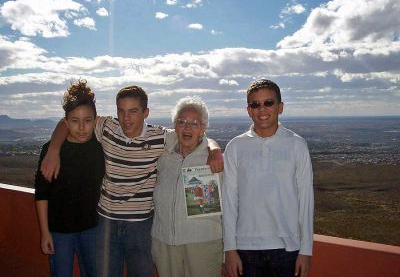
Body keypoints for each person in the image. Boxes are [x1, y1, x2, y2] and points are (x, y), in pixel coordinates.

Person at [40, 86, 223, 277]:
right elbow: (66, 121)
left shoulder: (160, 137)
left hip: (141, 225)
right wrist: (53, 150)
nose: (126, 118)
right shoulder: (107, 127)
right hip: (106, 223)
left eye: (133, 111)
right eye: (121, 110)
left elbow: (193, 133)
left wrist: (215, 149)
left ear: (146, 113)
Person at [223, 79, 314, 277]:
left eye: (268, 103)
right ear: (248, 110)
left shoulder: (297, 145)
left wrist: (306, 251)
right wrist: (229, 249)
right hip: (244, 249)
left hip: (288, 249)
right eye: (255, 104)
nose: (262, 109)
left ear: (280, 107)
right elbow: (229, 202)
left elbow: (306, 200)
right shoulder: (235, 147)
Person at [35, 79, 105, 277]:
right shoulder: (50, 151)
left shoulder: (101, 147)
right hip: (59, 231)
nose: (81, 127)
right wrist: (45, 232)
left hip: (92, 228)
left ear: (96, 119)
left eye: (88, 120)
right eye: (74, 121)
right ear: (66, 122)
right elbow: (42, 193)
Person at [152, 96, 224, 277]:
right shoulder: (164, 153)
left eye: (195, 123)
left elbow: (229, 207)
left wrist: (214, 149)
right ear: (174, 126)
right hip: (165, 242)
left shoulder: (212, 161)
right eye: (181, 122)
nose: (187, 127)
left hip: (203, 244)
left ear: (203, 128)